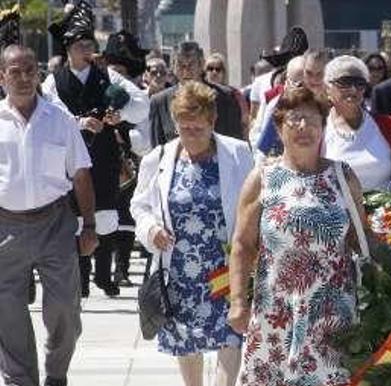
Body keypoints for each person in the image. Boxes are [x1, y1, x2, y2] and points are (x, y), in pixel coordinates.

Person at [230, 86, 367, 386]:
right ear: (279, 126)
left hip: (332, 303)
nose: (304, 127)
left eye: (312, 118)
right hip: (278, 307)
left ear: (325, 126)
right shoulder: (264, 176)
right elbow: (242, 243)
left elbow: (362, 239)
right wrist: (239, 299)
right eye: (295, 119)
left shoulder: (342, 176)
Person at [131, 81, 253, 386]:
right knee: (187, 341)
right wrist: (151, 229)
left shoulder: (238, 154)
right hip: (179, 265)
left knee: (230, 334)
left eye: (198, 127)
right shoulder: (160, 159)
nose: (191, 135)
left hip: (223, 263)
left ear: (213, 120)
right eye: (184, 128)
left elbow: (254, 201)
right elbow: (140, 206)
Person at [0, 45, 96, 386]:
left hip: (54, 222)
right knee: (7, 311)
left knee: (65, 310)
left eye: (29, 70)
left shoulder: (60, 119)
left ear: (38, 75)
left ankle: (56, 366)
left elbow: (81, 174)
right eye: (14, 71)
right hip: (6, 225)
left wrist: (88, 225)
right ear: (2, 77)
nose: (23, 78)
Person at [43, 2, 149, 298]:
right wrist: (78, 122)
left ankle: (104, 274)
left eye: (89, 43)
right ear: (68, 47)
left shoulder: (108, 76)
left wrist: (119, 115)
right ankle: (82, 278)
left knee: (106, 211)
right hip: (70, 157)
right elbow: (50, 112)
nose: (85, 49)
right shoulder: (54, 81)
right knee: (75, 215)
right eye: (80, 44)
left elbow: (140, 103)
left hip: (103, 154)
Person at [322, 55, 391, 190]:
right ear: (327, 88)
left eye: (360, 83)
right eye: (344, 82)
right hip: (332, 209)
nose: (353, 89)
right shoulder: (318, 128)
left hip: (384, 208)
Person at [101, 29, 151, 288]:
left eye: (120, 68)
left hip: (130, 165)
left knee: (127, 216)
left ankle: (121, 269)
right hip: (100, 161)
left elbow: (144, 137)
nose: (115, 73)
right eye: (112, 67)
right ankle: (102, 269)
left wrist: (126, 136)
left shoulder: (138, 97)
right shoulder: (96, 88)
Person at [149, 41, 244, 146]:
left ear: (201, 65)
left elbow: (236, 142)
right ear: (173, 67)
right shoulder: (159, 102)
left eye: (191, 65)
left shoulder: (226, 97)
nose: (186, 71)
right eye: (180, 65)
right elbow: (157, 149)